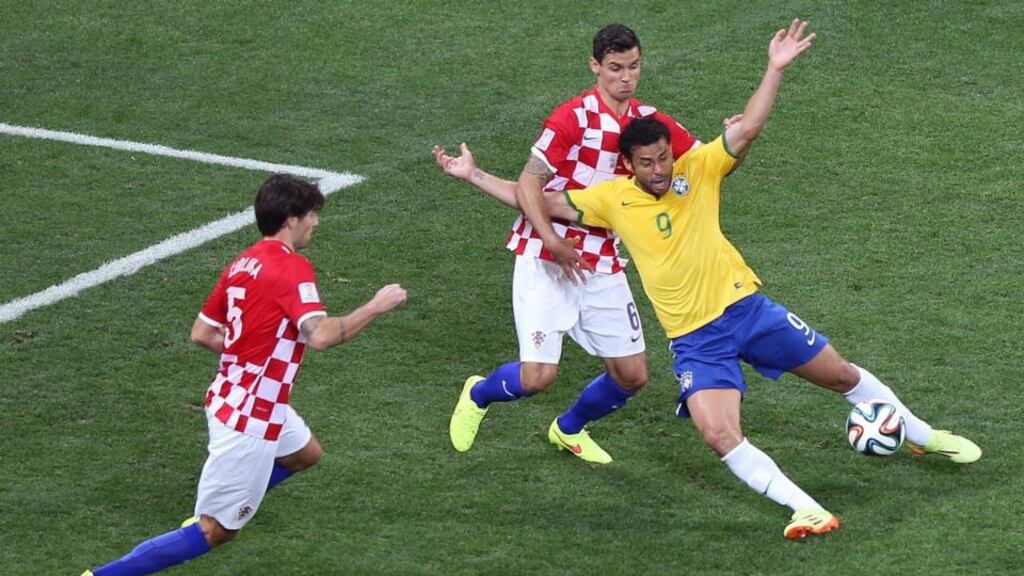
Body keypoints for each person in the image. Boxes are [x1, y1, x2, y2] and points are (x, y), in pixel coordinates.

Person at [447, 19, 982, 539]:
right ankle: (808, 509)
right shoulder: (609, 197)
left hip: (748, 309)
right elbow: (537, 196)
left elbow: (744, 130)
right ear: (627, 165)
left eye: (664, 158)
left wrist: (774, 69)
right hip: (696, 341)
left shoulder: (695, 169)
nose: (660, 169)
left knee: (840, 374)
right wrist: (474, 177)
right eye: (648, 163)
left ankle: (923, 435)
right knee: (718, 433)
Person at [83, 174, 407, 574]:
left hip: (234, 394)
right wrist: (376, 306)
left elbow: (202, 333)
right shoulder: (292, 269)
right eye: (310, 214)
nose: (316, 222)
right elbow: (321, 336)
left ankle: (237, 498)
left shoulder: (242, 263)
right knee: (214, 533)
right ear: (290, 219)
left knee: (306, 453)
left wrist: (251, 351)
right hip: (251, 416)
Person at [435, 23, 703, 464]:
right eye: (615, 68)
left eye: (633, 67)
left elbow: (703, 159)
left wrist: (731, 140)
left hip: (600, 261)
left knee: (632, 375)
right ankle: (479, 393)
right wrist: (553, 241)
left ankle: (568, 429)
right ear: (595, 66)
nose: (626, 77)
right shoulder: (572, 119)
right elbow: (529, 186)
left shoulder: (648, 123)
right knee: (538, 376)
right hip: (545, 258)